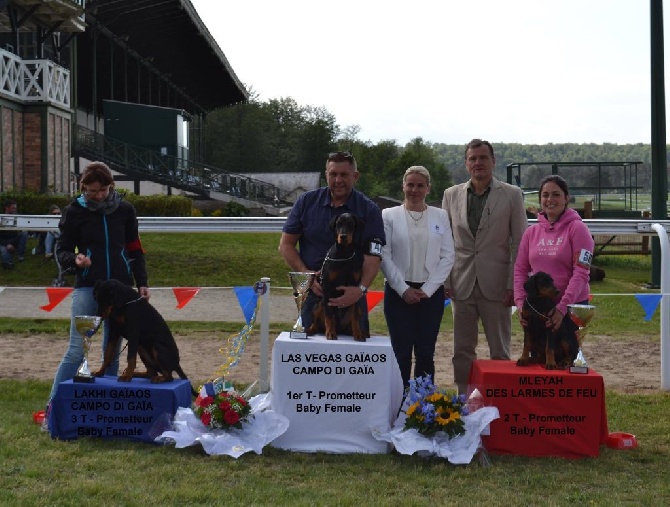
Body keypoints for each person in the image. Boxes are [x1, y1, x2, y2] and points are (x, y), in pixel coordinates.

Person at [47, 161, 149, 408]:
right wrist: (76, 259)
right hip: (88, 286)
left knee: (111, 352)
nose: (98, 196)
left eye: (103, 190)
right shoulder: (74, 211)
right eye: (92, 191)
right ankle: (53, 407)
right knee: (76, 350)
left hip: (122, 289)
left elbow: (134, 247)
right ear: (83, 187)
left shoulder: (125, 210)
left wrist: (142, 282)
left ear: (110, 186)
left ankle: (108, 407)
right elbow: (61, 249)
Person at [442, 139, 528, 394]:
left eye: (483, 158)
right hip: (462, 283)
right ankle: (462, 398)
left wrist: (514, 285)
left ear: (493, 161)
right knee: (462, 349)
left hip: (498, 285)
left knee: (499, 350)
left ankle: (499, 399)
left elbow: (520, 244)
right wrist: (447, 281)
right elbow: (445, 242)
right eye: (473, 158)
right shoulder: (451, 194)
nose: (478, 163)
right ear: (466, 163)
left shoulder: (512, 194)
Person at [279, 151, 385, 335]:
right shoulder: (306, 202)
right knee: (308, 358)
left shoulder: (369, 210)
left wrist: (360, 290)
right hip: (314, 294)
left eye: (344, 174)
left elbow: (374, 255)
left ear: (355, 176)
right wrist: (307, 276)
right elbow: (286, 245)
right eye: (333, 174)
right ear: (326, 175)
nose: (338, 180)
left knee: (357, 358)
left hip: (352, 296)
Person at [380, 166, 455, 389]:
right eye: (410, 184)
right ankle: (397, 405)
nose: (414, 189)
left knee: (425, 353)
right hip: (397, 293)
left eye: (420, 185)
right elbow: (384, 255)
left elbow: (448, 255)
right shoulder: (388, 215)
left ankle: (423, 409)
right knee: (400, 354)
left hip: (429, 295)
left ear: (428, 189)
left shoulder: (440, 215)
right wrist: (403, 289)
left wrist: (429, 289)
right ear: (403, 186)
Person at [514, 175, 594, 332]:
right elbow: (520, 271)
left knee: (568, 355)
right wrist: (521, 304)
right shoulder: (531, 232)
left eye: (556, 194)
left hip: (572, 307)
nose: (550, 199)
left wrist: (562, 308)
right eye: (545, 195)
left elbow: (581, 273)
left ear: (566, 198)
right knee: (538, 355)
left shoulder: (578, 229)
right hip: (539, 308)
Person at [0, 199, 28, 270]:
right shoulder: (1, 219)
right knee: (4, 250)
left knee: (24, 233)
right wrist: (7, 244)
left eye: (15, 208)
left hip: (14, 239)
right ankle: (9, 264)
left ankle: (20, 255)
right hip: (3, 242)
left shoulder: (17, 217)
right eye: (13, 208)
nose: (15, 210)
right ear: (7, 208)